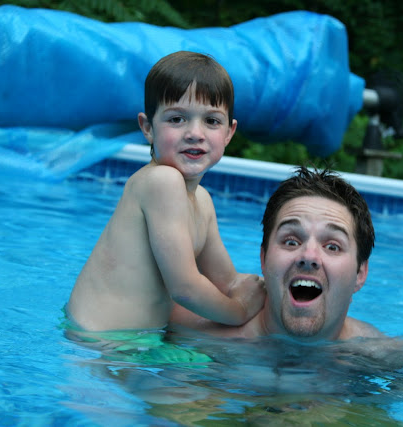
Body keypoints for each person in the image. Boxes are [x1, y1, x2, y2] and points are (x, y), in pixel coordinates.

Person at [66, 51, 265, 332]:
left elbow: (228, 282)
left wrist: (272, 289)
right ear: (148, 127)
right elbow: (185, 289)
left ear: (229, 133)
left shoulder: (203, 201)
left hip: (135, 342)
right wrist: (239, 311)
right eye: (177, 119)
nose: (195, 133)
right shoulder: (161, 182)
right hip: (100, 341)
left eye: (211, 121)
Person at [171, 166, 403, 352]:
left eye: (332, 246)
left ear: (360, 274)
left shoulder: (381, 356)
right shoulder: (191, 331)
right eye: (291, 242)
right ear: (263, 258)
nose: (308, 256)